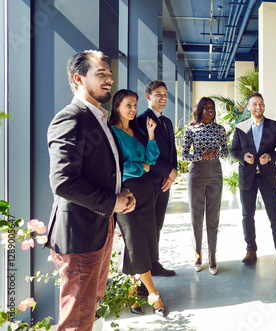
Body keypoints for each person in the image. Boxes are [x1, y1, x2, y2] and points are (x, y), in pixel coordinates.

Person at [46, 50, 136, 330]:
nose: (109, 80)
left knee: (89, 304)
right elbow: (63, 181)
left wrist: (121, 197)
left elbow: (102, 170)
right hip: (80, 234)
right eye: (101, 75)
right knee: (77, 316)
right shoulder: (71, 118)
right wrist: (111, 202)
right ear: (78, 78)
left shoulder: (98, 117)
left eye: (109, 75)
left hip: (99, 228)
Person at [109, 89, 166, 316]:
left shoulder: (137, 130)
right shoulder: (112, 133)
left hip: (145, 192)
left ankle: (133, 296)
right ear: (117, 107)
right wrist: (139, 167)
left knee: (143, 243)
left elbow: (151, 160)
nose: (133, 110)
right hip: (125, 195)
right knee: (135, 242)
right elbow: (116, 167)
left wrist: (151, 135)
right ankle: (154, 295)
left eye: (135, 105)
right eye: (128, 105)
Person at [230, 92, 276, 275]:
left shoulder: (274, 126)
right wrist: (243, 157)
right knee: (247, 215)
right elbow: (233, 150)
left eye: (261, 104)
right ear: (248, 107)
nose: (259, 107)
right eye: (255, 104)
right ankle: (251, 250)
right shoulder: (240, 127)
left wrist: (270, 157)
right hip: (247, 176)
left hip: (268, 177)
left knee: (275, 218)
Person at [181, 97, 228, 275]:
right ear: (199, 110)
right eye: (207, 108)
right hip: (197, 174)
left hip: (215, 173)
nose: (211, 110)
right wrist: (202, 156)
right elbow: (184, 155)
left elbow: (226, 151)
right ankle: (197, 253)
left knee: (213, 215)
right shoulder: (191, 129)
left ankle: (212, 254)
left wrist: (216, 153)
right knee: (196, 215)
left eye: (212, 108)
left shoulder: (220, 129)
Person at [137, 80, 178, 277]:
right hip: (150, 182)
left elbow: (172, 151)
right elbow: (146, 153)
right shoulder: (141, 121)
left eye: (165, 94)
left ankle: (154, 263)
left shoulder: (167, 121)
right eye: (158, 94)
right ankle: (145, 267)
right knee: (147, 227)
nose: (163, 98)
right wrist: (167, 171)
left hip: (164, 183)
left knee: (158, 225)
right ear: (148, 97)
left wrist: (173, 173)